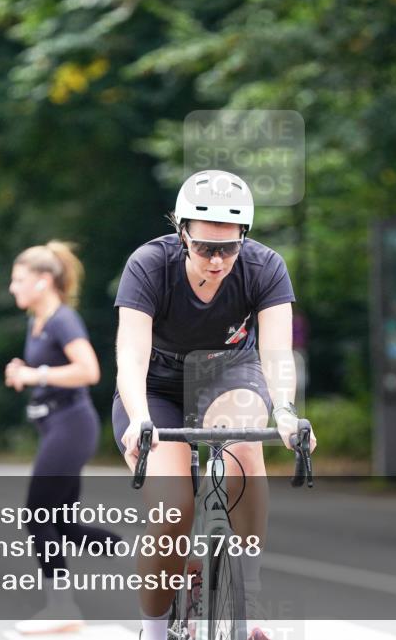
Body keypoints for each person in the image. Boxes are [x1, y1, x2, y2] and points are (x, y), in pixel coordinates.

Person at [113, 170, 316, 640]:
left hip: (229, 375)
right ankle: (154, 630)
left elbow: (277, 352)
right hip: (156, 388)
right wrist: (139, 419)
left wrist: (284, 410)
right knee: (172, 508)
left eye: (229, 247)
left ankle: (249, 591)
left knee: (244, 447)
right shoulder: (149, 264)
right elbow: (131, 353)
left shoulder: (264, 267)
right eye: (205, 247)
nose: (218, 260)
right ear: (182, 233)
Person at [5, 241, 122, 634]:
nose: (12, 288)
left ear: (43, 282)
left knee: (36, 515)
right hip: (55, 427)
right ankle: (148, 557)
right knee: (62, 524)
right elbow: (49, 368)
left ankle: (62, 606)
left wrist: (35, 375)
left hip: (72, 426)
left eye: (18, 280)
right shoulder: (37, 322)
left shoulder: (62, 320)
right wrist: (25, 369)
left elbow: (89, 371)